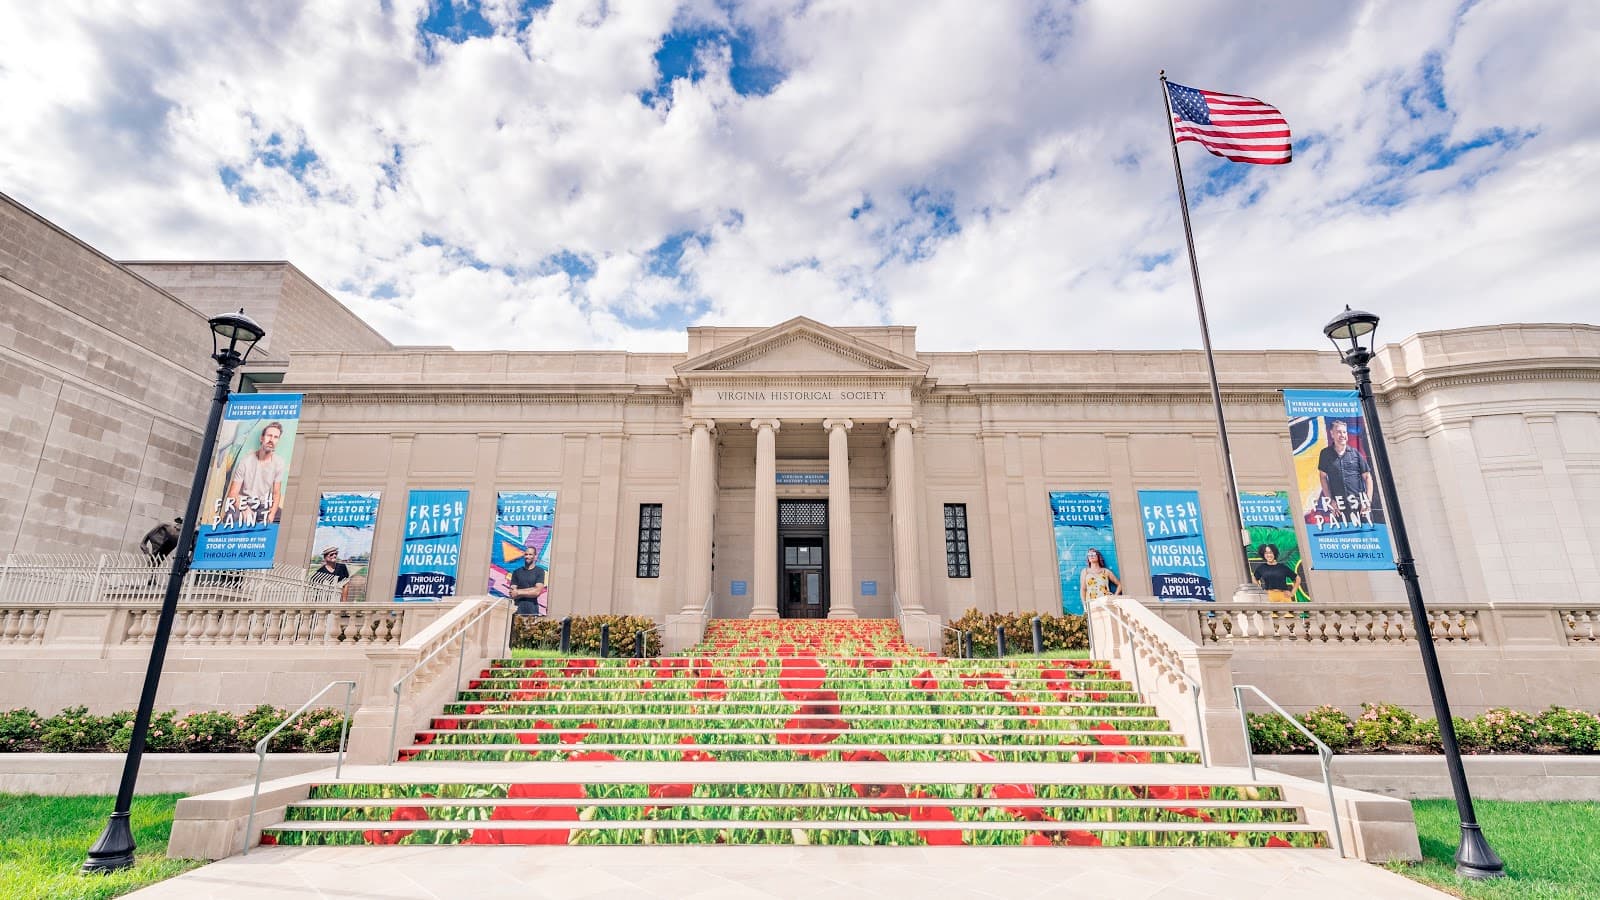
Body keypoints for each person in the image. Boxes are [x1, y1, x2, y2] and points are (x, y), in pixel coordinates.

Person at [224, 421, 285, 526]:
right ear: (261, 438)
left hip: (263, 505)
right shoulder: (245, 461)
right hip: (244, 502)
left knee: (282, 519)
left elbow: (276, 493)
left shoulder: (279, 463)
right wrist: (244, 509)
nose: (271, 440)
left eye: (275, 437)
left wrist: (271, 514)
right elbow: (232, 494)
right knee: (231, 516)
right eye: (269, 436)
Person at [1316, 419, 1375, 524]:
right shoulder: (1325, 454)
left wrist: (1367, 501)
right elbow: (1323, 477)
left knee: (1368, 538)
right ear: (1332, 434)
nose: (1342, 435)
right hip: (1339, 507)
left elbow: (1367, 477)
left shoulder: (1355, 453)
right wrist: (1330, 500)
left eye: (1344, 432)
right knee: (1344, 537)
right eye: (1339, 432)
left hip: (1360, 507)